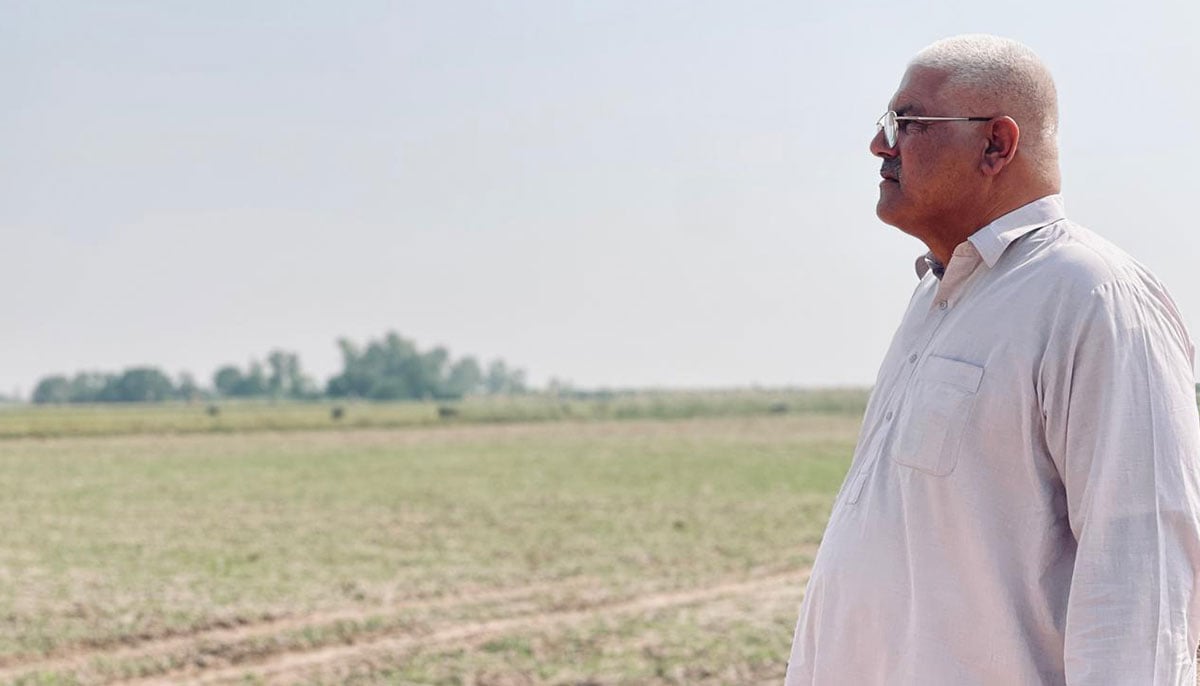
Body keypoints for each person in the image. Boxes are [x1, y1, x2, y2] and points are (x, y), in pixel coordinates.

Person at [784, 34, 1200, 685]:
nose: (879, 145)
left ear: (996, 145)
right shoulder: (936, 296)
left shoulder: (1093, 295)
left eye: (907, 122)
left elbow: (1139, 579)